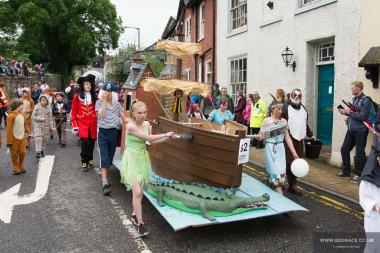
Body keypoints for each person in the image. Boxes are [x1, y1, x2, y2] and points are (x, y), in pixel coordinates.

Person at [121, 101, 177, 237]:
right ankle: (140, 223)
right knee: (138, 193)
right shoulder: (130, 126)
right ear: (133, 113)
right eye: (139, 113)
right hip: (131, 159)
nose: (142, 115)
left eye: (144, 112)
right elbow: (147, 137)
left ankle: (134, 215)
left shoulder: (147, 124)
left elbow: (151, 142)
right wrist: (165, 134)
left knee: (139, 193)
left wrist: (168, 138)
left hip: (142, 158)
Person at [254, 102, 299, 195]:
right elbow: (262, 135)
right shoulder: (266, 121)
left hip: (280, 150)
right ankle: (280, 196)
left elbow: (287, 138)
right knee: (275, 174)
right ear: (272, 109)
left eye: (281, 109)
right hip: (270, 149)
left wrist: (294, 153)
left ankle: (272, 191)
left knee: (280, 173)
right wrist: (259, 137)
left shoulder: (284, 121)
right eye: (278, 109)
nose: (280, 111)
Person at [282, 88, 315, 195]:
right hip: (288, 139)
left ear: (301, 97)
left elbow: (305, 124)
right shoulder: (285, 108)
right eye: (294, 95)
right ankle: (290, 184)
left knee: (298, 162)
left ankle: (292, 184)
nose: (296, 97)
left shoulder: (304, 109)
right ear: (290, 96)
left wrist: (310, 134)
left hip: (300, 139)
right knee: (289, 161)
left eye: (299, 95)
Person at [96, 83, 127, 195]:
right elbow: (101, 116)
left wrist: (137, 123)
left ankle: (104, 174)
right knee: (104, 157)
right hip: (103, 133)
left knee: (109, 158)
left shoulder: (118, 105)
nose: (107, 93)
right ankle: (105, 183)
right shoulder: (99, 102)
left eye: (110, 91)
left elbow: (124, 118)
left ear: (114, 93)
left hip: (114, 133)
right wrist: (104, 102)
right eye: (105, 91)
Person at [338, 81, 371, 183]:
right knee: (344, 149)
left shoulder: (366, 100)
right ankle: (346, 172)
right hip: (351, 129)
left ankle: (360, 174)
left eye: (352, 88)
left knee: (360, 153)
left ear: (358, 88)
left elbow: (362, 116)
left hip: (360, 131)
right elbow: (354, 114)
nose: (351, 89)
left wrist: (349, 113)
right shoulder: (355, 99)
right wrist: (345, 112)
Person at [71, 74, 98, 171]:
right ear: (82, 85)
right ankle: (84, 161)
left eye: (90, 85)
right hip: (82, 124)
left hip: (93, 124)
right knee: (84, 144)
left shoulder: (95, 97)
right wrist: (74, 125)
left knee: (91, 143)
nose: (88, 86)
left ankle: (90, 159)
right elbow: (73, 112)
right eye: (86, 84)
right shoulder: (76, 97)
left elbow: (98, 109)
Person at [6, 99, 27, 175]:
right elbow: (9, 130)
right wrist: (9, 143)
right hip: (14, 139)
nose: (23, 106)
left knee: (23, 152)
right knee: (14, 154)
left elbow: (24, 124)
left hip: (22, 137)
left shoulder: (21, 114)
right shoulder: (10, 116)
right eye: (22, 104)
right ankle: (15, 167)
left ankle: (20, 165)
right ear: (18, 106)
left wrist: (28, 131)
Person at [32, 94, 55, 159]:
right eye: (42, 100)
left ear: (47, 101)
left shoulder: (49, 108)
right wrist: (40, 119)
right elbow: (33, 117)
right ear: (40, 100)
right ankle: (38, 152)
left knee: (45, 139)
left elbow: (50, 118)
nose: (43, 101)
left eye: (45, 100)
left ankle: (41, 149)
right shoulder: (37, 106)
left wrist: (52, 127)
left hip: (46, 126)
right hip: (38, 125)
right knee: (38, 138)